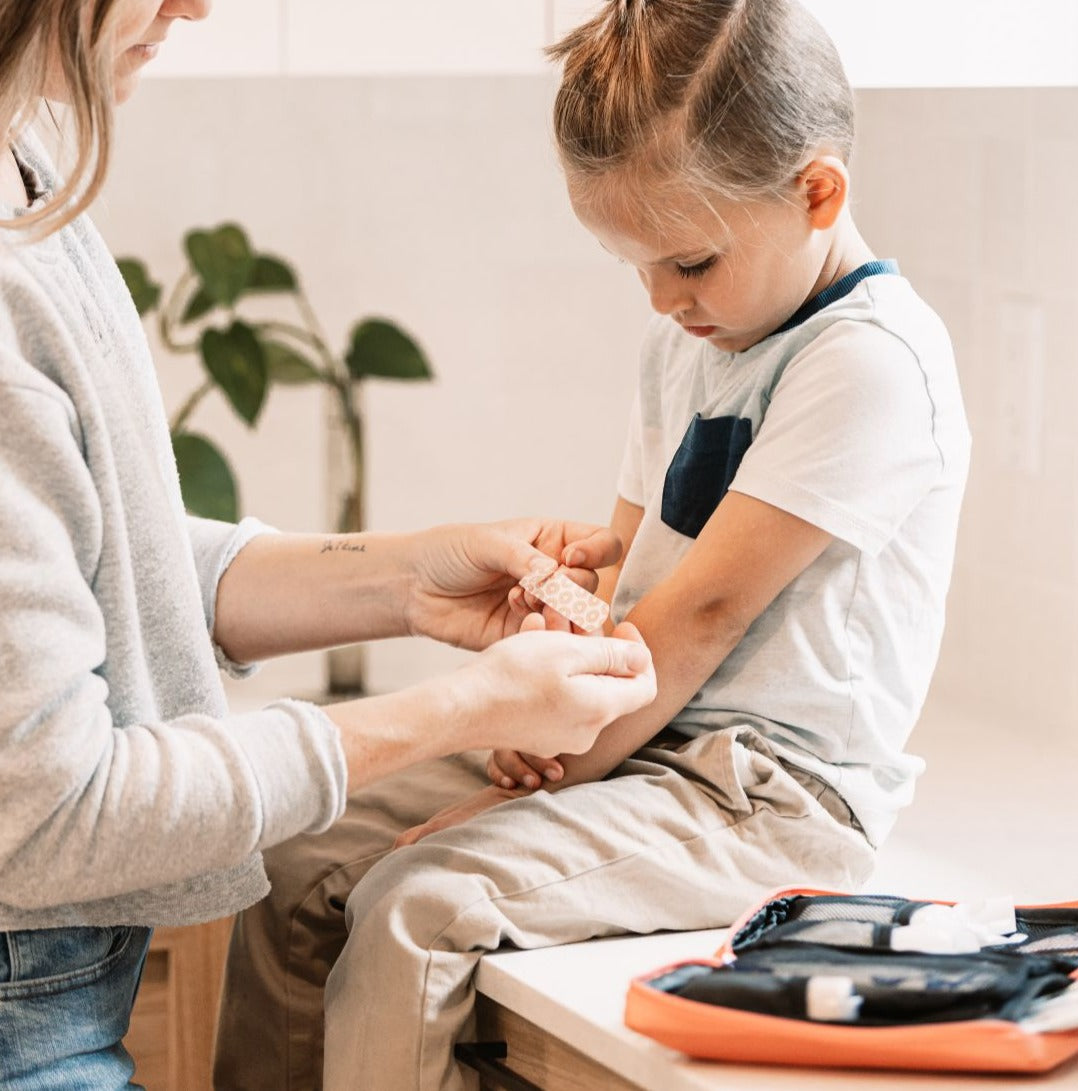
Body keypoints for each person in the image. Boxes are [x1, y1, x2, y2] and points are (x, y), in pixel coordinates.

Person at [215, 1, 973, 1088]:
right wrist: (551, 658)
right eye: (635, 267)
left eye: (689, 261)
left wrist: (545, 765)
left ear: (815, 193)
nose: (663, 299)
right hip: (639, 738)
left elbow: (701, 618)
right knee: (289, 863)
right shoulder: (692, 340)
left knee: (415, 905)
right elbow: (631, 577)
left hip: (764, 797)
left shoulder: (867, 363)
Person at [0, 1, 660, 1086]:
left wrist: (407, 578)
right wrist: (470, 707)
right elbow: (53, 810)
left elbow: (105, 560)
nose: (194, 5)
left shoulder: (29, 163)